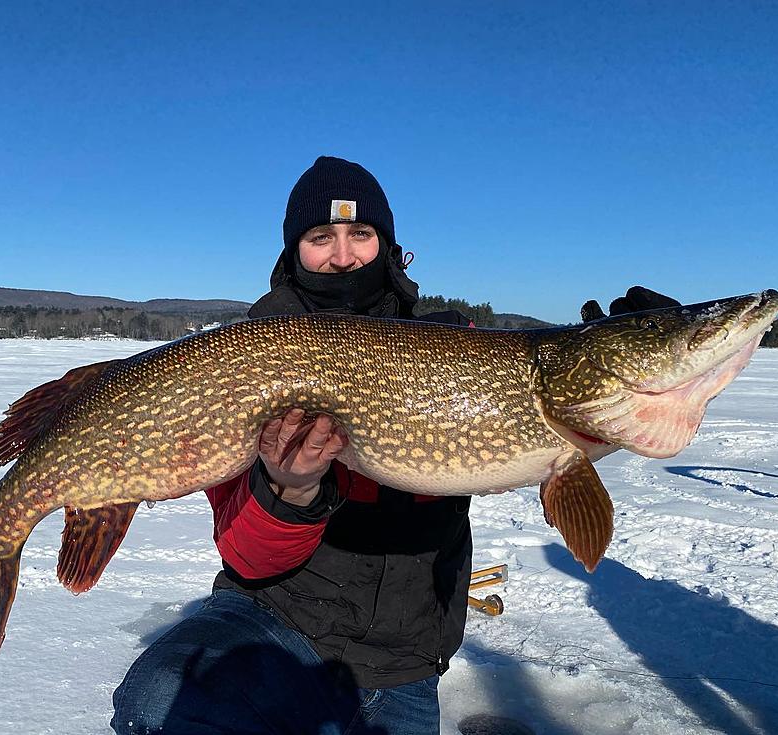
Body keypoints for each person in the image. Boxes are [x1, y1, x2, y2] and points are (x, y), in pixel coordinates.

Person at [111, 156, 678, 735]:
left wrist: (616, 347)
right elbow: (250, 558)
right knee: (159, 706)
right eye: (320, 236)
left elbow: (549, 383)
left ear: (387, 244)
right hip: (272, 622)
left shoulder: (453, 344)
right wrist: (292, 490)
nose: (343, 254)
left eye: (361, 233)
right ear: (293, 251)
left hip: (405, 659)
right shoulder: (251, 358)